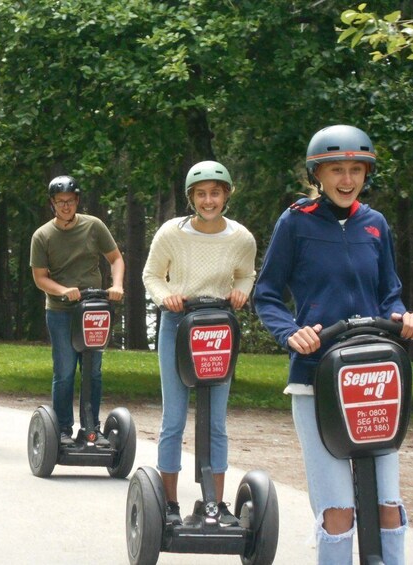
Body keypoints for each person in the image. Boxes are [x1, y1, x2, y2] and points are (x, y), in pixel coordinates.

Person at [253, 125, 413, 565]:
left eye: (356, 170)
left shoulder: (376, 224)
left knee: (388, 507)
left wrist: (402, 317)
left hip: (374, 376)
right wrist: (292, 332)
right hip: (317, 377)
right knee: (337, 512)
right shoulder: (296, 222)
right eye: (336, 170)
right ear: (318, 174)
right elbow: (267, 294)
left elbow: (390, 293)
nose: (347, 180)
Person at [142, 160, 256, 527]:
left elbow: (247, 273)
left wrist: (240, 293)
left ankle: (215, 504)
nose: (209, 200)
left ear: (226, 195)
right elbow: (152, 275)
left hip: (219, 326)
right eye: (202, 194)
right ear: (191, 197)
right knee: (173, 418)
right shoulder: (171, 233)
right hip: (178, 322)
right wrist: (166, 298)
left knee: (216, 422)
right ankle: (170, 503)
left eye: (216, 193)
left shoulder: (241, 237)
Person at [30, 175, 125, 446]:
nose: (66, 206)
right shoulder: (43, 236)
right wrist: (62, 290)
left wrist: (116, 285)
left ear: (77, 200)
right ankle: (61, 429)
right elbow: (40, 277)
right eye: (60, 202)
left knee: (93, 370)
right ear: (52, 204)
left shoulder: (94, 226)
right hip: (60, 311)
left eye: (70, 201)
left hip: (93, 309)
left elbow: (116, 258)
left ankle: (91, 427)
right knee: (65, 371)